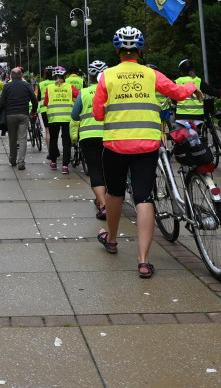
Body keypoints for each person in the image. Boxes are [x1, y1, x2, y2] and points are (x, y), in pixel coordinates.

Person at [94, 27, 198, 278]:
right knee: (144, 197)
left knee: (115, 193)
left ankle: (113, 239)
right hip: (147, 145)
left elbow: (98, 114)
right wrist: (193, 84)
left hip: (115, 145)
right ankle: (143, 260)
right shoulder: (151, 75)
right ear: (140, 50)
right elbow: (179, 93)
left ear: (117, 50)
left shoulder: (106, 77)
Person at [72, 60, 108, 218]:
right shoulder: (111, 91)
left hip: (88, 137)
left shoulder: (84, 93)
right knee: (109, 170)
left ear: (90, 77)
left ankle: (103, 205)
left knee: (94, 170)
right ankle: (109, 200)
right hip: (109, 136)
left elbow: (74, 115)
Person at [0, 67, 38, 170]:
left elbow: (1, 102)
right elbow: (34, 100)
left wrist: (7, 107)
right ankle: (21, 162)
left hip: (10, 115)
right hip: (23, 114)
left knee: (12, 138)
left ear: (11, 76)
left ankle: (12, 159)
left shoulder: (7, 86)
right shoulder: (26, 85)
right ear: (21, 75)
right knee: (22, 139)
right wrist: (33, 111)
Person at [44, 66, 79, 174]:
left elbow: (46, 103)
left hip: (54, 118)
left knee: (53, 140)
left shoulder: (49, 88)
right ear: (65, 76)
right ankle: (65, 166)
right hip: (67, 118)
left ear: (54, 77)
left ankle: (54, 162)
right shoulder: (70, 87)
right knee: (66, 143)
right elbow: (79, 97)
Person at [174, 59, 206, 128]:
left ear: (182, 71)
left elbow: (172, 97)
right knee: (198, 136)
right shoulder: (198, 81)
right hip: (197, 116)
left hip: (181, 116)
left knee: (181, 136)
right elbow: (212, 91)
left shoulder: (177, 82)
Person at [36, 66, 55, 149]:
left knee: (47, 131)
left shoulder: (41, 84)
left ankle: (50, 152)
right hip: (56, 110)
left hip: (44, 109)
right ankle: (55, 148)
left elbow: (38, 98)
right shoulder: (57, 83)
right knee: (56, 131)